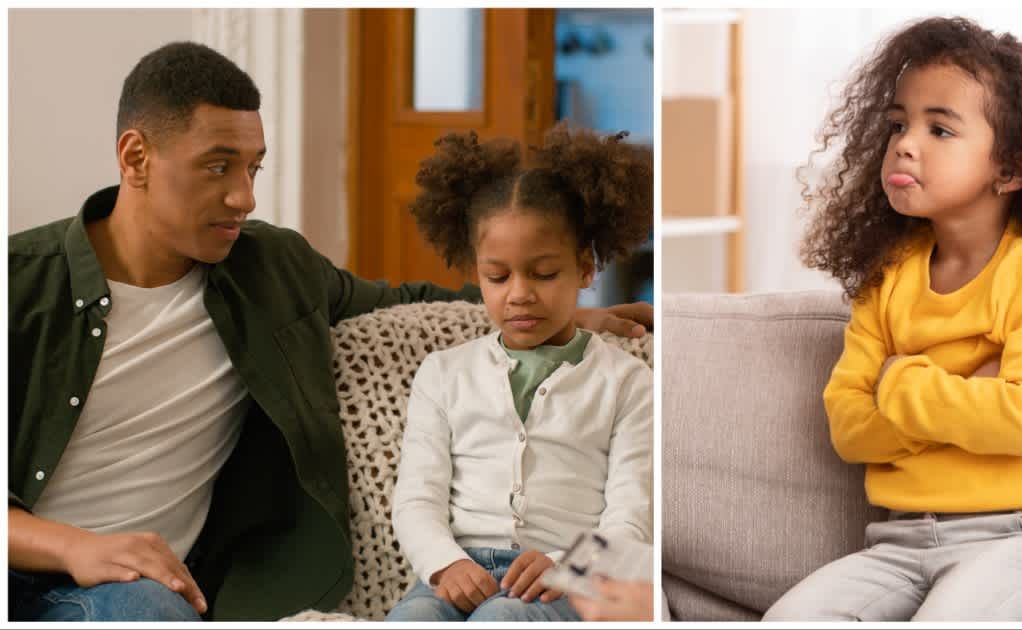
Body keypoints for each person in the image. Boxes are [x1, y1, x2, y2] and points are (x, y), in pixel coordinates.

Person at [7, 42, 651, 622]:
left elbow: (407, 300)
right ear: (135, 156)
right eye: (217, 167)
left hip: (165, 592)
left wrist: (563, 310)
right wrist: (76, 548)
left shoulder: (271, 269)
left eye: (253, 169)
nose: (244, 198)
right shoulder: (20, 284)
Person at [762, 17, 1022, 621]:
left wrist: (898, 383)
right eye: (898, 124)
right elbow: (849, 429)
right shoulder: (886, 275)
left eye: (940, 128)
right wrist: (967, 392)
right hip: (897, 543)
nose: (905, 143)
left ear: (1010, 170)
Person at [384, 124, 653, 622]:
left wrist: (562, 564)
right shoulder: (442, 373)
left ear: (585, 268)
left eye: (544, 274)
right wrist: (446, 565)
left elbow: (632, 516)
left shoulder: (628, 383)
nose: (520, 293)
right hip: (455, 574)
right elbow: (416, 498)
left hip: (565, 583)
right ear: (476, 274)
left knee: (501, 621)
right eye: (498, 276)